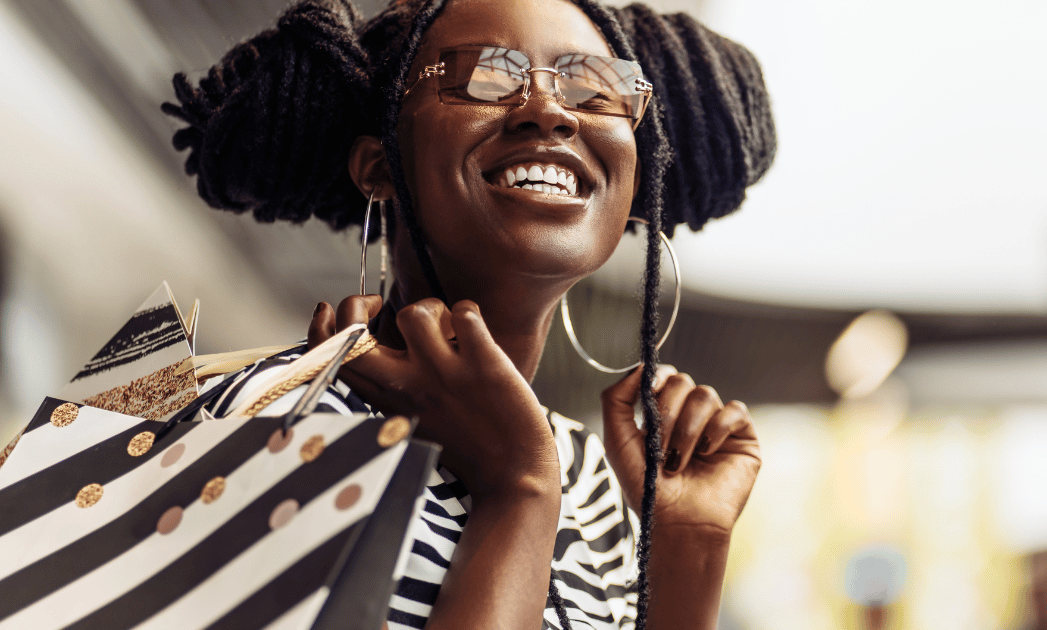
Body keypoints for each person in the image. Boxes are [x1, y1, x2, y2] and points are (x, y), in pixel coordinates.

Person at [162, 0, 776, 627]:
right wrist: (516, 487)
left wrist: (689, 544)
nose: (550, 111)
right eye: (484, 76)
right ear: (380, 170)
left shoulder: (590, 479)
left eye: (597, 87)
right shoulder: (264, 419)